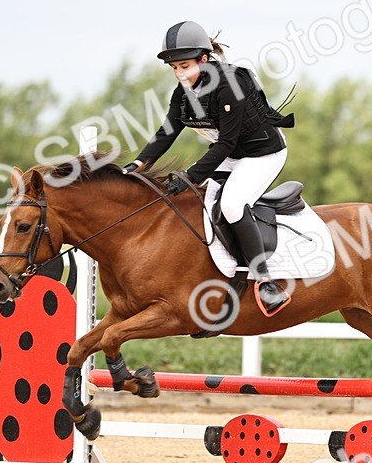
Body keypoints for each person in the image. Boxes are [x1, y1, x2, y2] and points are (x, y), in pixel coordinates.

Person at [123, 21, 295, 316]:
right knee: (193, 203)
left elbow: (226, 143)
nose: (179, 75)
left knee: (231, 204)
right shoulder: (183, 93)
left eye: (185, 66)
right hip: (230, 155)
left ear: (203, 59)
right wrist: (136, 166)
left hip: (262, 153)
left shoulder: (230, 85)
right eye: (174, 68)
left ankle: (266, 281)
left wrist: (191, 176)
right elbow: (166, 133)